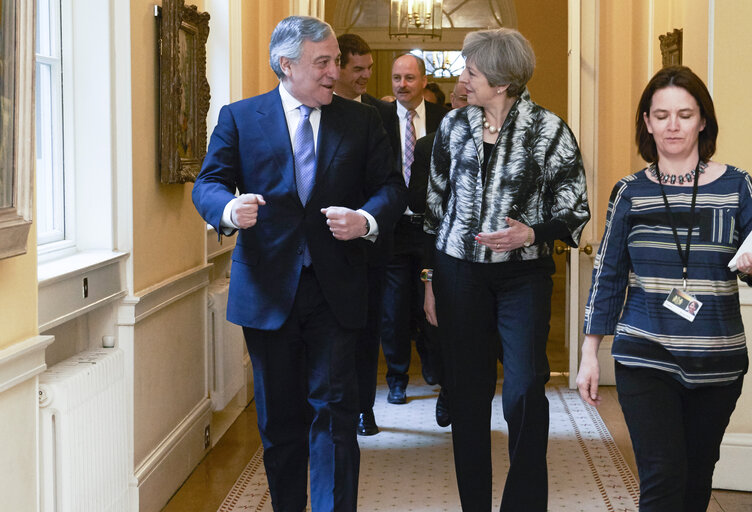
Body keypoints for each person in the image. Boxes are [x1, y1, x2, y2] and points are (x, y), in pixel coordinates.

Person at [192, 16, 406, 512]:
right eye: (323, 62)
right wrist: (228, 209)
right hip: (267, 291)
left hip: (336, 289)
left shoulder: (362, 120)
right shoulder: (241, 118)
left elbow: (391, 187)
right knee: (280, 421)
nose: (335, 72)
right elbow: (209, 183)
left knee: (334, 413)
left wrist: (366, 220)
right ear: (287, 65)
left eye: (335, 61)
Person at [423, 28, 590, 511]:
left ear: (500, 81)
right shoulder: (453, 128)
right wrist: (430, 282)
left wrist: (531, 233)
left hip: (523, 277)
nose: (462, 79)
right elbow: (433, 211)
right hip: (458, 276)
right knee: (468, 396)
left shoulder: (549, 129)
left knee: (523, 391)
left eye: (471, 71)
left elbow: (574, 208)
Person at [577, 65, 752, 512]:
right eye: (661, 115)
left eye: (684, 114)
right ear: (647, 122)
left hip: (718, 360)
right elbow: (608, 275)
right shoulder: (630, 192)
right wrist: (588, 354)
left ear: (703, 121)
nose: (672, 126)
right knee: (662, 479)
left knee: (696, 481)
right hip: (645, 354)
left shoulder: (739, 187)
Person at [334, 32, 399, 436]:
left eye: (369, 69)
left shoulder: (383, 114)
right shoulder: (313, 109)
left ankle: (364, 408)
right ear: (337, 67)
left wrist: (368, 219)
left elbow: (390, 179)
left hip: (371, 243)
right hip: (323, 241)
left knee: (367, 330)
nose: (365, 76)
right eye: (357, 69)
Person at [380, 53, 448, 405]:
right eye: (396, 78)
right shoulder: (377, 118)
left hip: (432, 229)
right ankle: (396, 378)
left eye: (408, 78)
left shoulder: (445, 119)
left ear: (423, 80)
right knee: (392, 308)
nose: (402, 85)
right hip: (392, 229)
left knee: (433, 302)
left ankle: (435, 367)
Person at [409, 80, 468, 427]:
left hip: (486, 254)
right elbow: (416, 199)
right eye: (460, 101)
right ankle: (448, 388)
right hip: (439, 248)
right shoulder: (428, 146)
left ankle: (471, 393)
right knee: (439, 328)